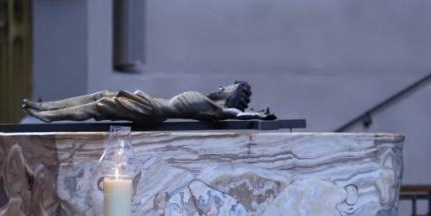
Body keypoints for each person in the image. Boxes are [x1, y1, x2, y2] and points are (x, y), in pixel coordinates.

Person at [21, 80, 275, 125]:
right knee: (100, 96)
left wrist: (258, 116)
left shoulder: (216, 109)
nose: (220, 88)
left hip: (152, 110)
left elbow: (236, 115)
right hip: (150, 102)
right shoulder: (206, 100)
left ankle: (48, 116)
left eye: (225, 88)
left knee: (99, 107)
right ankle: (45, 107)